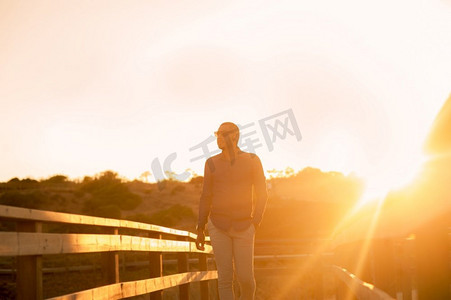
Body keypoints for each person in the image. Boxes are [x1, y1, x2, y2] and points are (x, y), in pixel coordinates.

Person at [195, 122, 268, 300]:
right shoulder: (211, 162)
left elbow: (262, 194)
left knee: (246, 279)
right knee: (225, 279)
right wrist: (200, 227)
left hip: (244, 225)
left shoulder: (252, 160)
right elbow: (206, 195)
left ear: (234, 136)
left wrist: (255, 223)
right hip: (218, 225)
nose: (218, 138)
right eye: (217, 134)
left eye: (222, 134)